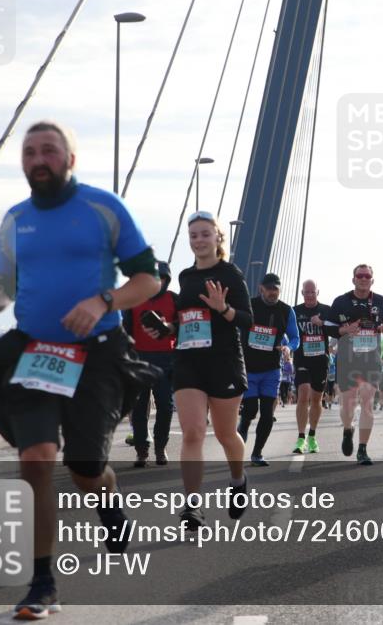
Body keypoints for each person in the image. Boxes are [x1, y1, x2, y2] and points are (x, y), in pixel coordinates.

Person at [0, 121, 160, 619]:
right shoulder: (15, 219)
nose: (38, 158)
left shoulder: (102, 208)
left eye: (49, 150)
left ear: (70, 159)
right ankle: (42, 581)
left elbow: (149, 279)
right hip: (35, 352)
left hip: (97, 352)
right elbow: (2, 288)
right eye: (29, 152)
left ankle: (107, 496)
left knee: (85, 470)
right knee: (37, 459)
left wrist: (103, 300)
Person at [172, 211, 254, 528]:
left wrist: (224, 309)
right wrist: (166, 329)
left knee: (225, 434)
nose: (198, 240)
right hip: (188, 360)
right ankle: (192, 506)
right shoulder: (185, 277)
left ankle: (238, 479)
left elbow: (247, 320)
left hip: (223, 361)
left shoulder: (230, 274)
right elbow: (184, 320)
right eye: (193, 235)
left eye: (205, 234)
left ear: (218, 237)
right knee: (193, 432)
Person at [324, 264, 383, 466]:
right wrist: (346, 329)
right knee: (347, 403)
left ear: (372, 280)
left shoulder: (381, 301)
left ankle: (362, 449)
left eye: (367, 276)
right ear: (353, 279)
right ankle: (348, 429)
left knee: (367, 402)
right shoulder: (341, 301)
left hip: (370, 360)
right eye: (360, 276)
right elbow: (329, 328)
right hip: (347, 359)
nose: (363, 279)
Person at [238, 273, 299, 466]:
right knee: (249, 411)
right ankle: (242, 432)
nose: (273, 293)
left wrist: (289, 347)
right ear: (261, 288)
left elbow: (295, 337)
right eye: (269, 288)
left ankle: (257, 453)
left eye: (276, 289)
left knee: (266, 413)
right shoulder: (249, 304)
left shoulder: (286, 311)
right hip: (248, 367)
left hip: (271, 369)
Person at [122, 260, 177, 467]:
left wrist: (170, 327)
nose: (157, 282)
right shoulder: (134, 301)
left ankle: (160, 447)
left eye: (161, 278)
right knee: (138, 408)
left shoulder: (174, 299)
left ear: (166, 280)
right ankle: (141, 450)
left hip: (166, 361)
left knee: (165, 406)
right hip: (139, 360)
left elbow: (184, 325)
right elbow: (125, 331)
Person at [292, 279, 331, 453]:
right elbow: (288, 332)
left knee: (316, 399)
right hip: (302, 359)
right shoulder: (295, 311)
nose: (309, 295)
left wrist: (323, 323)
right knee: (303, 393)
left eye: (312, 292)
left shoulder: (326, 310)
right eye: (306, 292)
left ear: (317, 292)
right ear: (302, 293)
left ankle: (312, 436)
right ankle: (301, 438)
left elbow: (337, 329)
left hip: (320, 360)